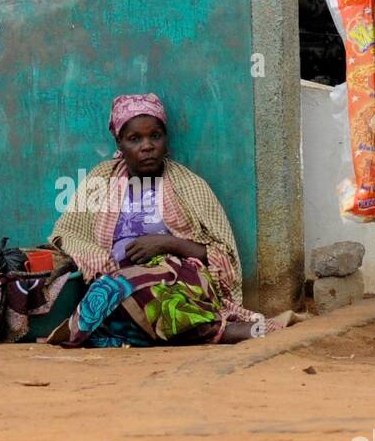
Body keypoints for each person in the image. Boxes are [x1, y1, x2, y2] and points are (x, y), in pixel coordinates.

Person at [46, 93, 278, 346]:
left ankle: (223, 331)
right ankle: (206, 331)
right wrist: (99, 259)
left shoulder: (188, 185)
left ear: (166, 141)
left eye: (155, 136)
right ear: (119, 143)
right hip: (118, 278)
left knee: (133, 293)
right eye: (135, 139)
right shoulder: (100, 179)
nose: (147, 146)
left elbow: (222, 256)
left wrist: (166, 244)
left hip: (181, 280)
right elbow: (67, 233)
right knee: (113, 294)